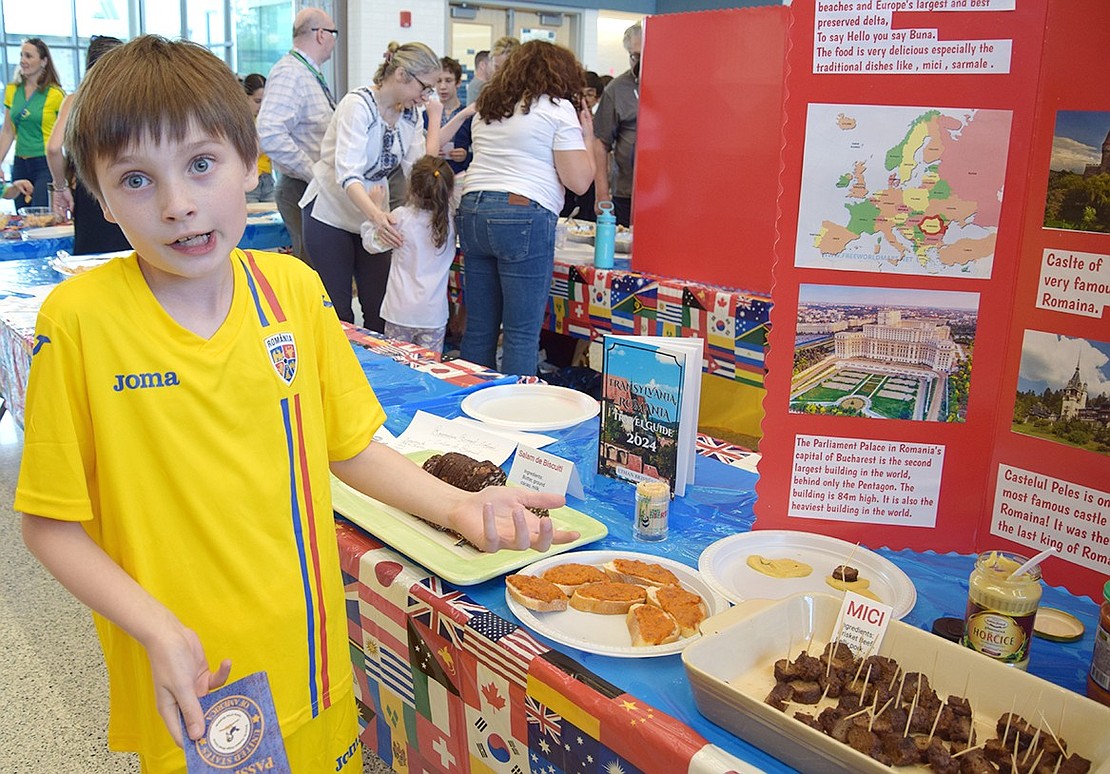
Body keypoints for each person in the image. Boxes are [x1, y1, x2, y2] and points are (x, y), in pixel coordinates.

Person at [15, 35, 572, 774]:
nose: (179, 205)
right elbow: (50, 524)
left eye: (201, 164)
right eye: (137, 180)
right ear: (101, 195)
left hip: (307, 654)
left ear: (250, 162)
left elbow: (348, 448)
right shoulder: (78, 322)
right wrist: (155, 629)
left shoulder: (293, 292)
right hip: (193, 681)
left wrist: (454, 508)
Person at [302, 42, 471, 330]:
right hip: (331, 214)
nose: (426, 96)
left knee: (378, 308)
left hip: (374, 214)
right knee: (338, 312)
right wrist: (378, 215)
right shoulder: (357, 105)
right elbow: (348, 174)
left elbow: (420, 168)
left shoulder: (409, 114)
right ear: (403, 75)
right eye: (425, 87)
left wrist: (434, 120)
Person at [458, 40, 595, 376]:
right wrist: (587, 136)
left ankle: (467, 407)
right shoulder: (555, 107)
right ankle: (514, 420)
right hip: (521, 212)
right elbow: (579, 182)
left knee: (479, 327)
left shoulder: (491, 106)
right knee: (520, 333)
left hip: (473, 208)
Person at [257, 6, 338, 265]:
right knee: (315, 269)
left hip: (311, 187)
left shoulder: (306, 72)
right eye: (334, 33)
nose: (334, 41)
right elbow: (269, 132)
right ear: (322, 35)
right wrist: (314, 172)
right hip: (301, 186)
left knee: (323, 266)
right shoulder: (291, 72)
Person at [46, 36, 130, 255]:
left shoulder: (77, 100)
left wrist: (60, 186)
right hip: (129, 187)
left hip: (89, 190)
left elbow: (54, 148)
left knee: (91, 264)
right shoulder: (135, 103)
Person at [362, 156, 455, 353]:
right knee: (430, 373)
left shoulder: (401, 217)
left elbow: (371, 244)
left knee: (398, 368)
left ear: (411, 188)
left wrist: (377, 209)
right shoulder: (450, 222)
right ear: (449, 192)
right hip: (433, 315)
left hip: (399, 313)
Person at [0, 38, 65, 208]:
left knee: (41, 216)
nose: (23, 60)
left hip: (45, 163)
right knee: (22, 217)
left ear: (44, 61)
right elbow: (7, 131)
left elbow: (65, 135)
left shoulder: (56, 94)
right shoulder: (12, 90)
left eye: (28, 56)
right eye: (21, 55)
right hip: (20, 163)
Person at [593, 21, 642, 227]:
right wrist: (602, 193)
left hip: (668, 194)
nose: (639, 62)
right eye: (634, 56)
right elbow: (600, 143)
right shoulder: (616, 89)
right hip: (626, 193)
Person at [426, 56, 473, 174]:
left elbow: (480, 152)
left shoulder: (468, 116)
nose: (442, 87)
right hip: (432, 176)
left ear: (458, 83)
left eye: (448, 81)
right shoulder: (425, 116)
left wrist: (466, 156)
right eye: (438, 81)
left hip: (461, 175)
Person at [242, 73, 274, 202]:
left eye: (265, 101)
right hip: (249, 182)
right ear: (245, 97)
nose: (261, 107)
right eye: (257, 101)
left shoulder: (268, 121)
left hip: (268, 180)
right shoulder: (240, 123)